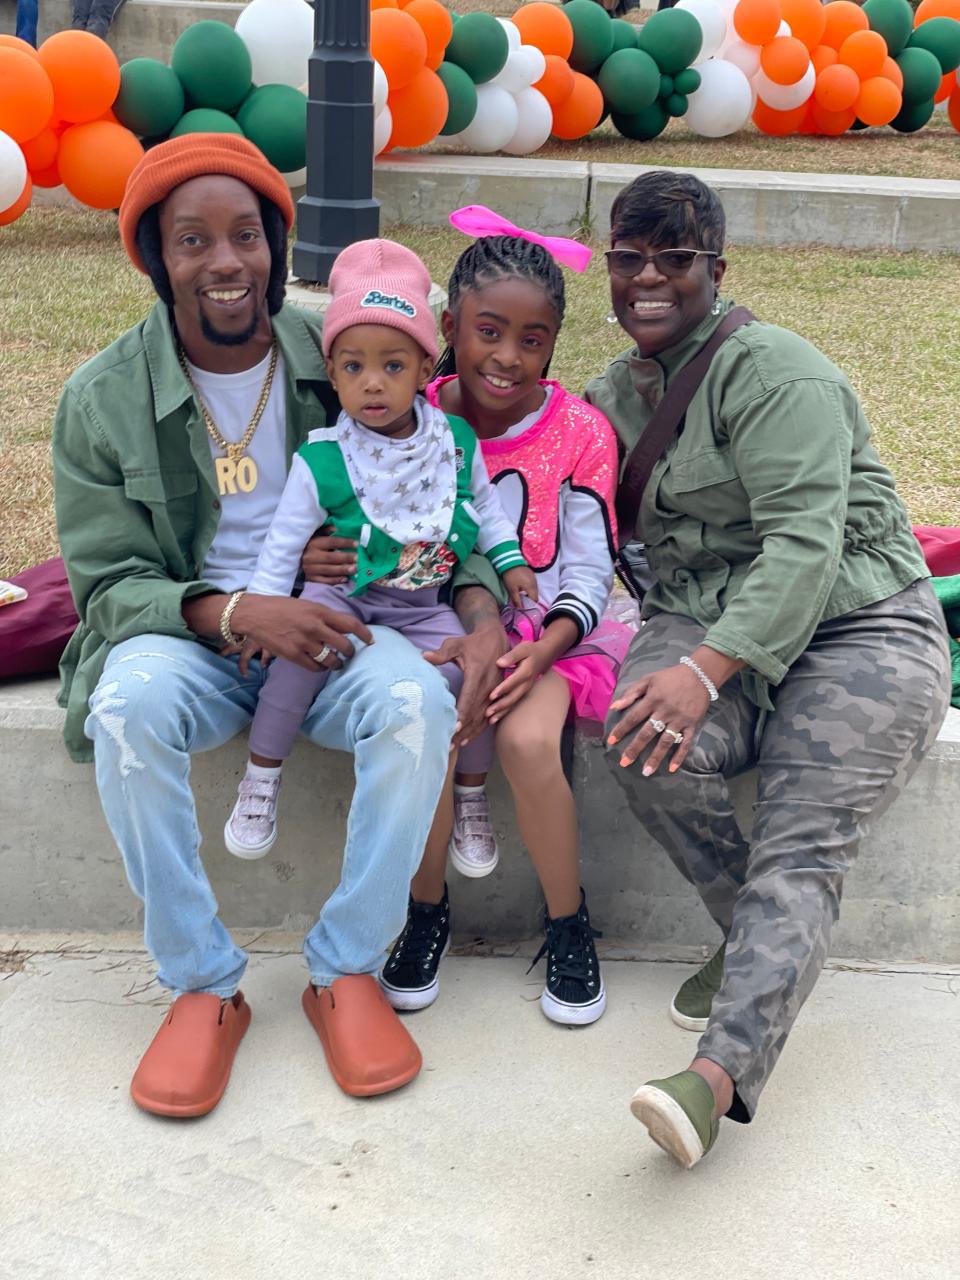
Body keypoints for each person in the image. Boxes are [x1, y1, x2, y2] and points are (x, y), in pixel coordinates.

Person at [51, 134, 504, 1117]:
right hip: (193, 647)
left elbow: (440, 492)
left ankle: (345, 968)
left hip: (339, 635)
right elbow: (107, 582)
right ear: (154, 256)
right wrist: (232, 607)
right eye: (192, 239)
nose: (223, 261)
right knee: (124, 707)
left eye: (245, 235)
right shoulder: (102, 397)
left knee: (416, 702)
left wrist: (479, 611)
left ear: (275, 243)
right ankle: (202, 986)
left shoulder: (346, 350)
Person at [584, 170, 951, 1167]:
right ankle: (758, 939)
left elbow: (802, 551)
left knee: (802, 837)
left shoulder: (779, 371)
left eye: (676, 257)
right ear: (609, 266)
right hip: (708, 621)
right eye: (630, 257)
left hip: (859, 627)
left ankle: (711, 1080)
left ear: (717, 268)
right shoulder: (613, 396)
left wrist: (700, 671)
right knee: (637, 738)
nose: (649, 276)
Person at [318, 214, 631, 1026]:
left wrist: (542, 650)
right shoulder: (404, 417)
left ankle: (568, 923)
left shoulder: (580, 433)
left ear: (554, 346)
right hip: (427, 623)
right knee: (427, 720)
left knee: (527, 740)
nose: (508, 357)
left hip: (554, 635)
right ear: (449, 328)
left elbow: (592, 567)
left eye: (534, 340)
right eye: (488, 332)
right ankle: (426, 911)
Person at [223, 236, 535, 859]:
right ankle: (261, 776)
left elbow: (488, 512)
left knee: (470, 673)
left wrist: (513, 563)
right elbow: (282, 547)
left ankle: (470, 794)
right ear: (331, 372)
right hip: (340, 592)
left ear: (425, 370)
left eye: (393, 366)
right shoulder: (323, 459)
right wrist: (263, 611)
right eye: (353, 367)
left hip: (422, 600)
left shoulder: (454, 443)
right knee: (297, 660)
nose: (373, 385)